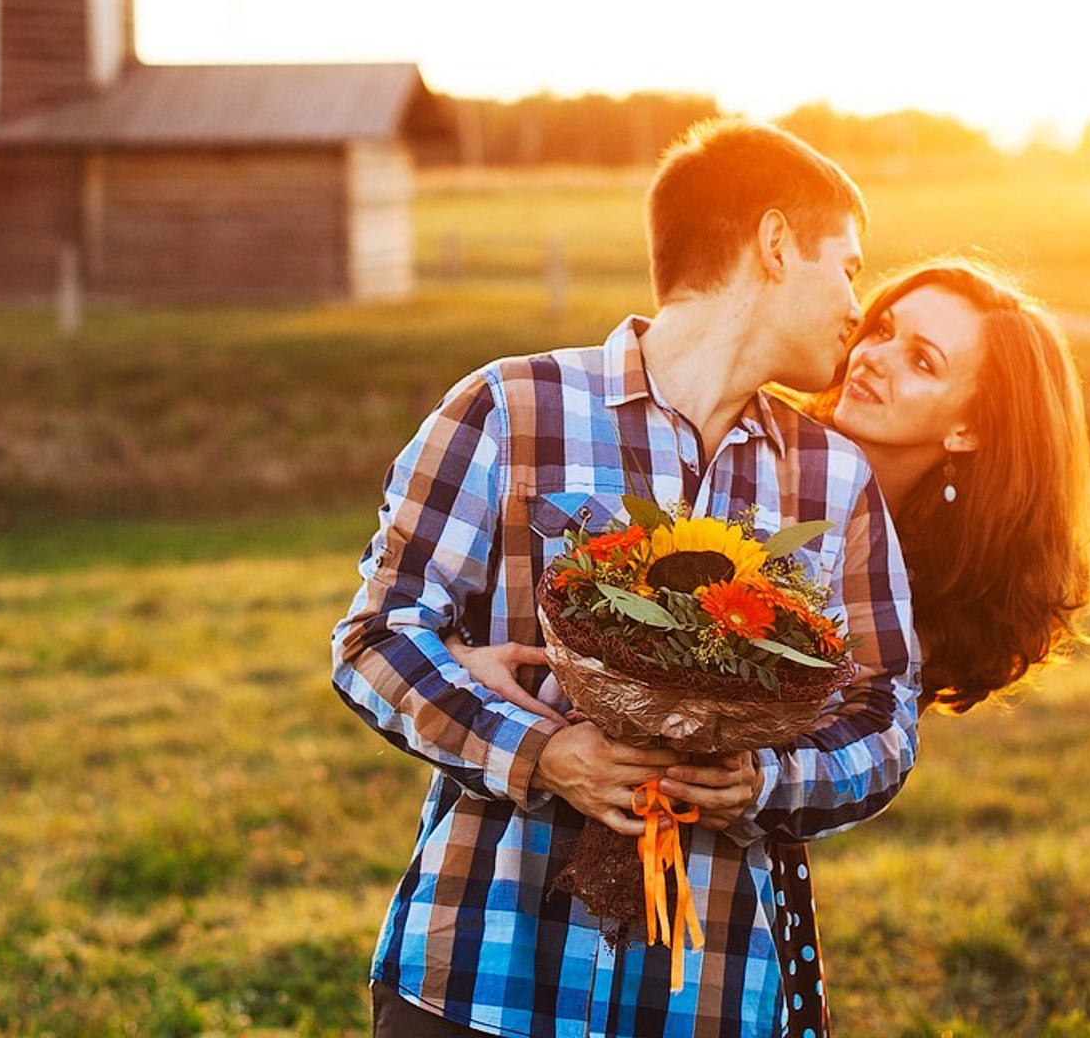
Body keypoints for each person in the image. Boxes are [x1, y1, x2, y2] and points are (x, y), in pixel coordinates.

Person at [331, 118, 921, 1038]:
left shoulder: (834, 481)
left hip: (704, 996)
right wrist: (542, 754)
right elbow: (376, 639)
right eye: (846, 265)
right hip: (482, 981)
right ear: (774, 245)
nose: (857, 304)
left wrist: (763, 777)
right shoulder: (509, 410)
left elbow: (885, 717)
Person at [458, 256, 1090, 1029]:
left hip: (742, 870)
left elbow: (872, 731)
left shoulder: (932, 565)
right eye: (884, 329)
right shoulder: (757, 465)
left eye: (922, 361)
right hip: (553, 856)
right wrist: (458, 652)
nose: (874, 358)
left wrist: (765, 777)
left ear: (968, 428)